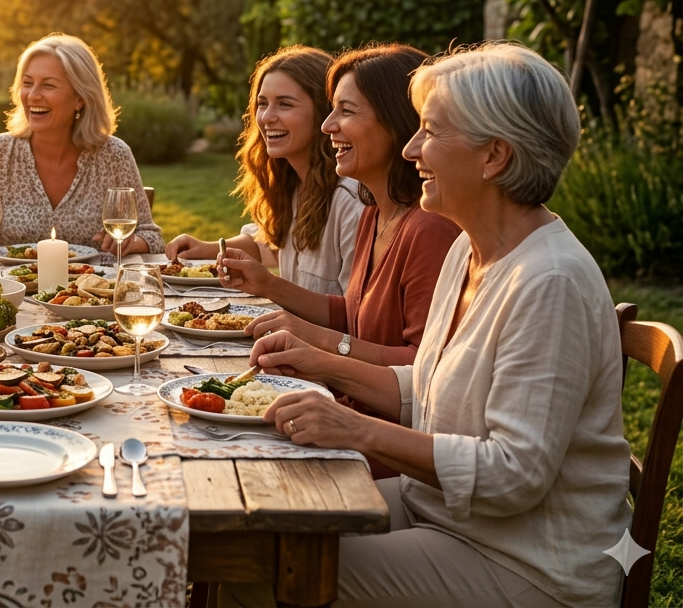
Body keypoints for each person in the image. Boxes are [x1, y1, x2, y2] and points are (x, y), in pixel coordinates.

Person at [233, 43, 631, 607]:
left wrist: (356, 431)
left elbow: (514, 474)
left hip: (525, 564)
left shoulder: (549, 281)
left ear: (494, 156)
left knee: (258, 563)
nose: (412, 148)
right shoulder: (471, 246)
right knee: (255, 518)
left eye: (431, 132)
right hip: (442, 512)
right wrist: (318, 362)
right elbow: (427, 380)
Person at [221, 44, 461, 366]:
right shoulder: (375, 213)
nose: (327, 125)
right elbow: (351, 312)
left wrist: (314, 337)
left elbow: (420, 371)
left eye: (345, 111)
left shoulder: (429, 229)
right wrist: (267, 285)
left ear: (397, 122)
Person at [167, 46, 362, 295]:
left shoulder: (349, 199)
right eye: (262, 103)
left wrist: (269, 286)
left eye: (285, 104)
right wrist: (209, 248)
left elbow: (355, 315)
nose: (267, 117)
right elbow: (271, 244)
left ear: (324, 112)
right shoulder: (294, 182)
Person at [0, 34, 163, 257]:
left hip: (93, 289)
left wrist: (132, 241)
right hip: (15, 288)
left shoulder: (113, 155)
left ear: (80, 97)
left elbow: (152, 237)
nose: (33, 95)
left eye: (48, 85)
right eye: (27, 83)